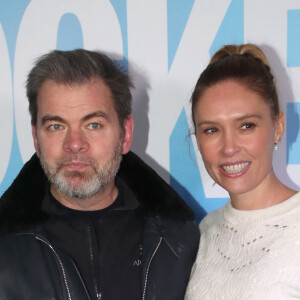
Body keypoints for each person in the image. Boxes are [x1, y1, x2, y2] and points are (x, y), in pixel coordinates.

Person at [0, 49, 199, 300]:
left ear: (125, 134)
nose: (74, 144)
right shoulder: (5, 250)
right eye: (56, 126)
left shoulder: (181, 242)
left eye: (93, 125)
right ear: (36, 139)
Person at [185, 44, 299, 299]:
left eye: (246, 125)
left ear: (278, 127)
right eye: (212, 130)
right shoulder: (205, 232)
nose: (228, 148)